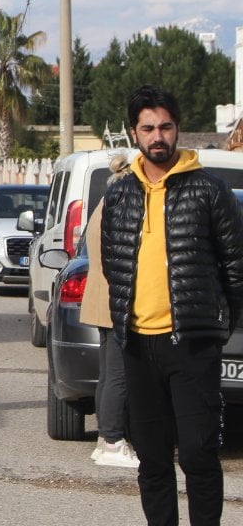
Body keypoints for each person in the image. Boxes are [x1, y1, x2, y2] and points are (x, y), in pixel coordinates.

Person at [100, 85, 243, 526]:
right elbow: (112, 263)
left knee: (199, 452)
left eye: (164, 126)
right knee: (153, 458)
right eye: (148, 128)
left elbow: (236, 265)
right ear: (134, 133)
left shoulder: (209, 191)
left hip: (192, 345)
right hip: (138, 346)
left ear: (177, 129)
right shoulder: (120, 194)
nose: (157, 135)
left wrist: (221, 326)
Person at [78, 155, 140, 468]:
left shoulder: (104, 205)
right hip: (117, 301)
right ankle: (113, 440)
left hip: (104, 300)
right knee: (118, 375)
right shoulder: (121, 207)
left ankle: (107, 438)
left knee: (109, 374)